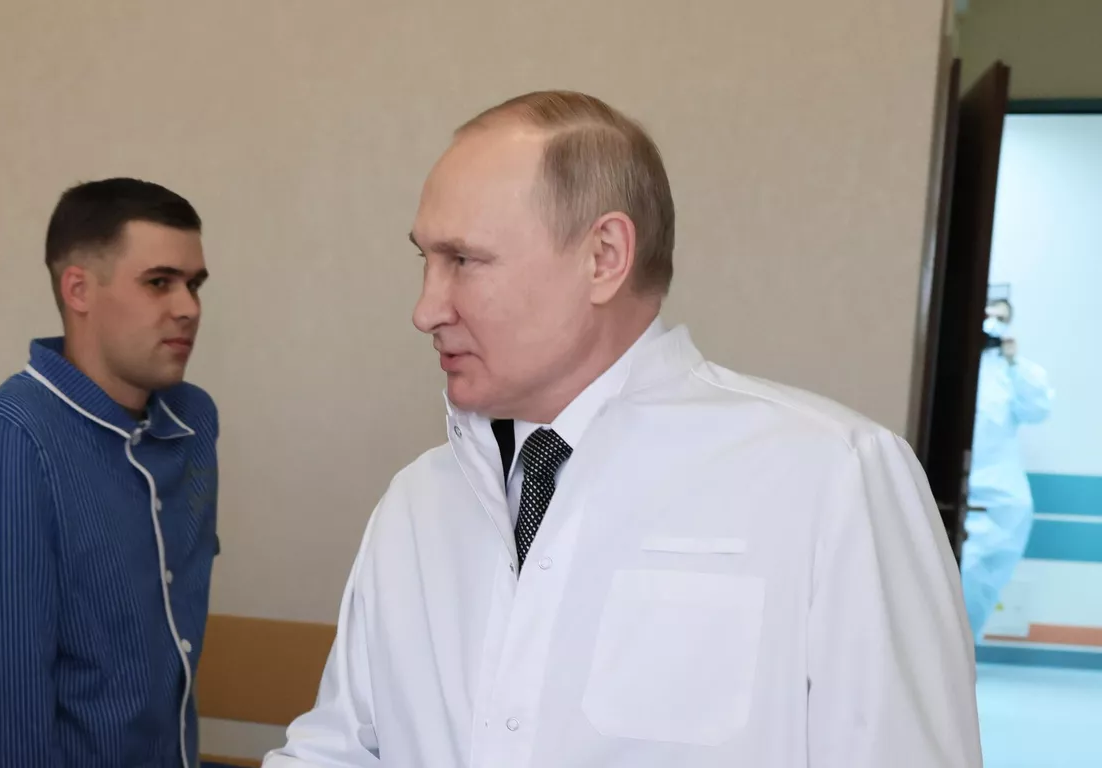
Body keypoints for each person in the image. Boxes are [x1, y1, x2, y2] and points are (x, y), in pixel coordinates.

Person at [265, 91, 981, 767]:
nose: (426, 309)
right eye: (425, 260)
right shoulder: (416, 502)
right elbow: (341, 749)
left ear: (603, 257)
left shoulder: (832, 477)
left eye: (464, 261)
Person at [0, 178, 219, 768]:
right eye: (159, 282)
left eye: (194, 284)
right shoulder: (8, 443)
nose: (189, 307)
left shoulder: (192, 422)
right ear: (79, 289)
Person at [961, 298, 1053, 638]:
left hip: (999, 501)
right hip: (955, 489)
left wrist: (1014, 361)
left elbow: (1038, 409)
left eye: (1001, 316)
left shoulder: (1012, 371)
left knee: (975, 588)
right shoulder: (953, 362)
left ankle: (963, 652)